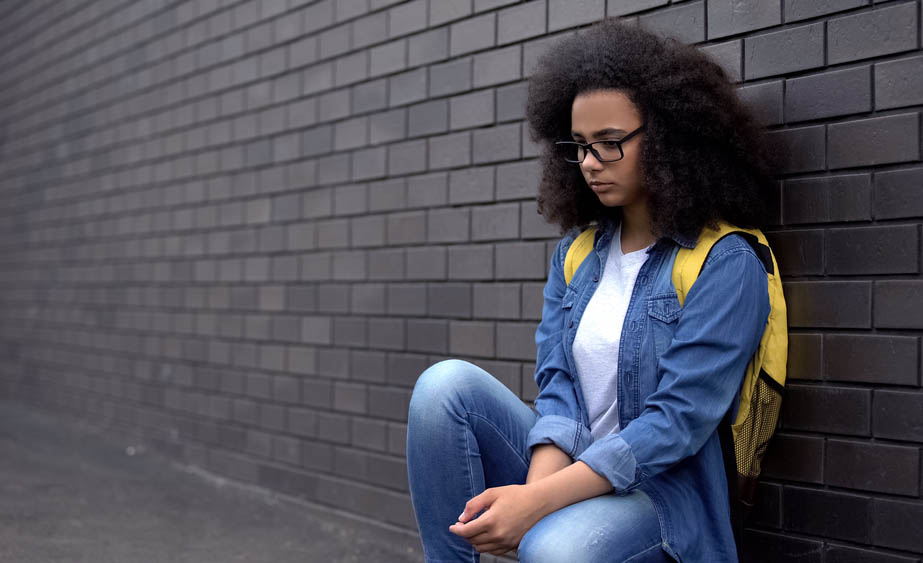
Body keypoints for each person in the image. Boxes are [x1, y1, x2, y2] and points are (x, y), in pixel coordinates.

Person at [406, 18, 776, 563]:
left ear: (671, 138)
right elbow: (558, 389)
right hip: (566, 468)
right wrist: (535, 496)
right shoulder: (577, 255)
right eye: (579, 145)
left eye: (610, 143)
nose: (589, 164)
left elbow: (674, 424)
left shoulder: (725, 262)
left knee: (556, 549)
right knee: (444, 387)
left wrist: (536, 506)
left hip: (660, 497)